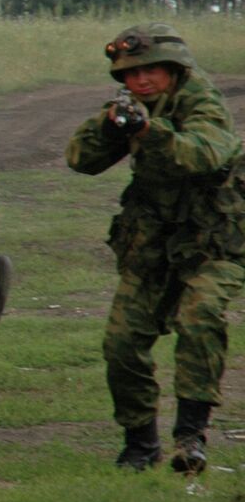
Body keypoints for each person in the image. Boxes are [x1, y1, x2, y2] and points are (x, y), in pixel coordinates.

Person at [65, 24, 244, 473]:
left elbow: (204, 153)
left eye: (149, 71)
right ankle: (140, 443)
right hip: (153, 248)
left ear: (174, 69)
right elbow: (79, 160)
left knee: (199, 318)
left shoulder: (201, 102)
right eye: (129, 74)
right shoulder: (131, 107)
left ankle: (190, 437)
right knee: (121, 344)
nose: (139, 81)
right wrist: (111, 127)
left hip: (213, 245)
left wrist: (149, 130)